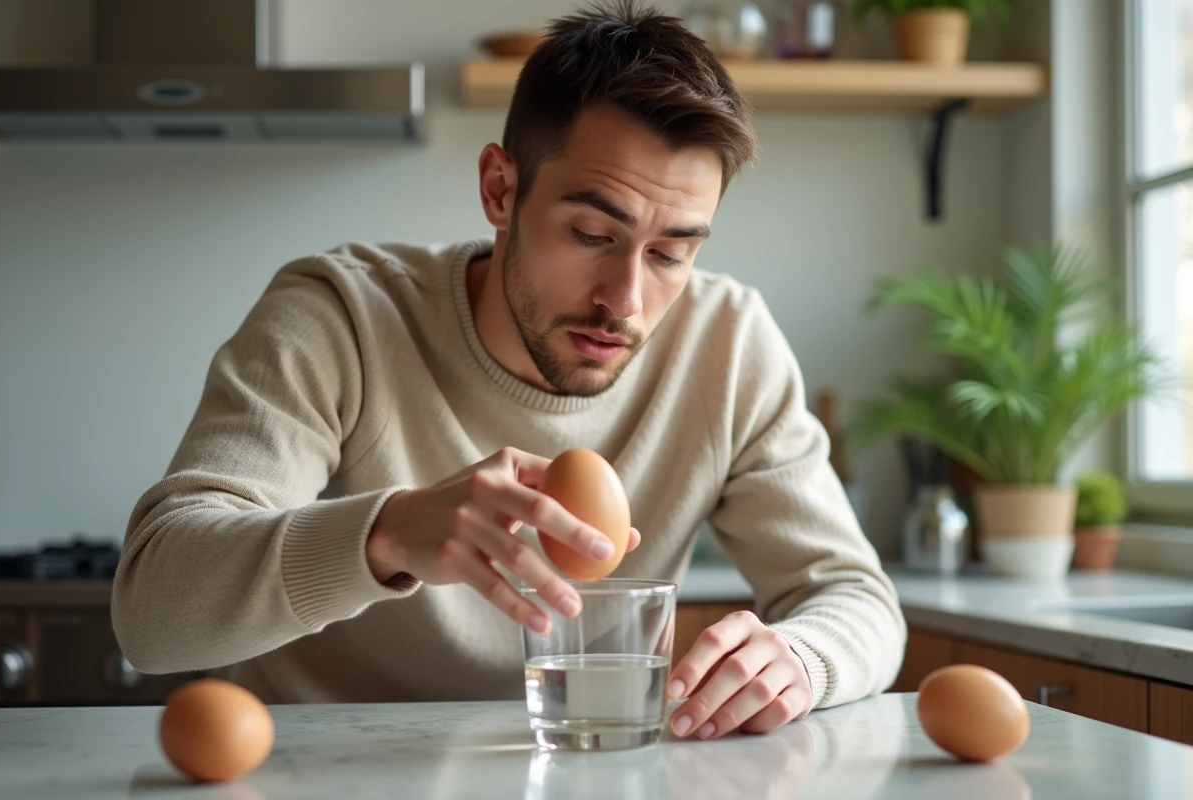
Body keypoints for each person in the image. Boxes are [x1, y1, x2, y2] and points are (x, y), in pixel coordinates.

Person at [112, 0, 906, 741]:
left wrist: (801, 660)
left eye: (671, 253)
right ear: (501, 188)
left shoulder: (728, 342)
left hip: (579, 772)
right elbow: (151, 614)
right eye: (594, 233)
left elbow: (856, 600)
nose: (625, 300)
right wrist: (383, 536)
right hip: (316, 771)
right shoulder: (341, 315)